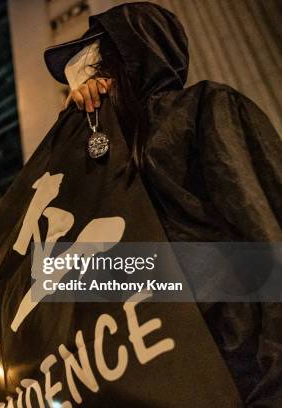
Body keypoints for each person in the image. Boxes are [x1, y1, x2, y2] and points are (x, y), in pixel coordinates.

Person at [44, 2, 281, 407]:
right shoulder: (103, 158)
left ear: (129, 57)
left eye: (93, 62)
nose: (80, 83)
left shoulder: (206, 107)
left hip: (241, 369)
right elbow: (67, 274)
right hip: (166, 375)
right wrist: (76, 138)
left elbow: (265, 237)